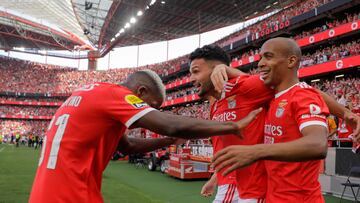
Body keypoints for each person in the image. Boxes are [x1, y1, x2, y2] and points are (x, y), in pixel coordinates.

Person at [29, 70, 261, 203]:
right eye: (151, 106)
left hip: (45, 193)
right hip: (71, 196)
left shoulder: (90, 94)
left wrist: (167, 142)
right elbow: (170, 125)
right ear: (140, 92)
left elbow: (127, 146)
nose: (151, 111)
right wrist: (231, 126)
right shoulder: (116, 95)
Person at [212, 37, 360, 203]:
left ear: (291, 61)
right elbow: (249, 80)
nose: (260, 63)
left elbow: (317, 145)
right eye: (260, 58)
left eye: (268, 56)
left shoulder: (303, 96)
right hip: (273, 197)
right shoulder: (272, 98)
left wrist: (255, 151)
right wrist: (222, 67)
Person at [189, 45, 273, 202]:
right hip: (231, 183)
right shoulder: (215, 105)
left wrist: (233, 72)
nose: (191, 79)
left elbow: (298, 90)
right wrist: (214, 180)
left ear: (216, 69)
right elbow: (225, 150)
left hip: (251, 187)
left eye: (196, 71)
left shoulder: (243, 87)